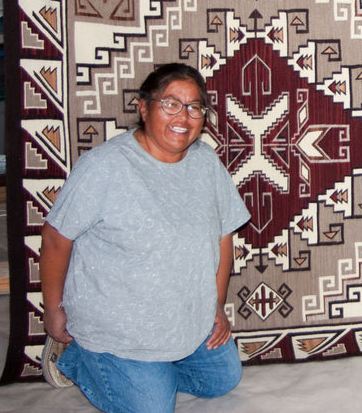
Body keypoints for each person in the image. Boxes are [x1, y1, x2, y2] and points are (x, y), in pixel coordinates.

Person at [39, 63, 249, 411]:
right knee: (153, 407)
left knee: (222, 379)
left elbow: (223, 237)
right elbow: (55, 239)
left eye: (195, 107)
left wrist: (215, 304)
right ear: (143, 106)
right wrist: (53, 308)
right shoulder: (103, 166)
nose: (183, 116)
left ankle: (152, 370)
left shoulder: (205, 162)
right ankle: (78, 356)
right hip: (119, 326)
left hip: (184, 315)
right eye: (170, 103)